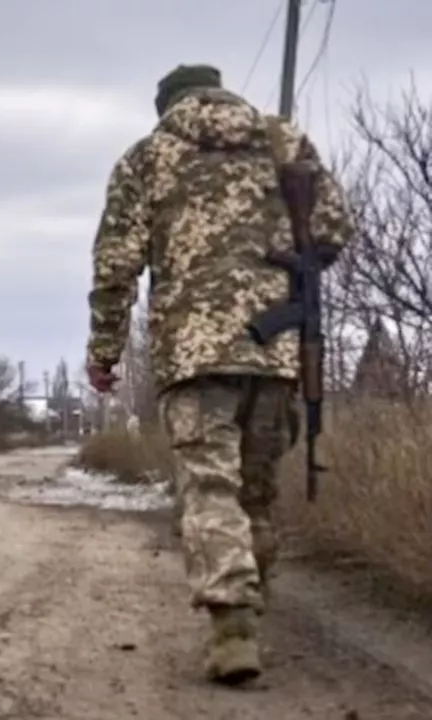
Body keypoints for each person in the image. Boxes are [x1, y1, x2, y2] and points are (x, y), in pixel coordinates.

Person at [84, 64, 354, 684]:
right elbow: (335, 228)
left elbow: (115, 265)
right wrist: (285, 264)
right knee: (255, 491)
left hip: (194, 355)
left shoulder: (147, 156)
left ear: (167, 107)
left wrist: (104, 351)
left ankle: (233, 626)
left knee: (210, 488)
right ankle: (252, 608)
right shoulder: (282, 140)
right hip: (279, 350)